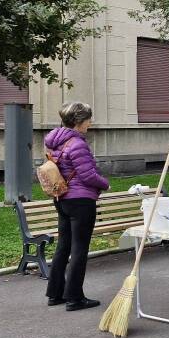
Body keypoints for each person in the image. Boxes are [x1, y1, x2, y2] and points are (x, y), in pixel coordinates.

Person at [43, 101, 109, 311]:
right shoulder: (78, 143)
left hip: (62, 198)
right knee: (80, 249)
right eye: (88, 119)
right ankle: (74, 298)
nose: (90, 123)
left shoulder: (55, 142)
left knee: (64, 246)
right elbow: (88, 175)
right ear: (79, 121)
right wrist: (105, 183)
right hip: (80, 201)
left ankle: (55, 293)